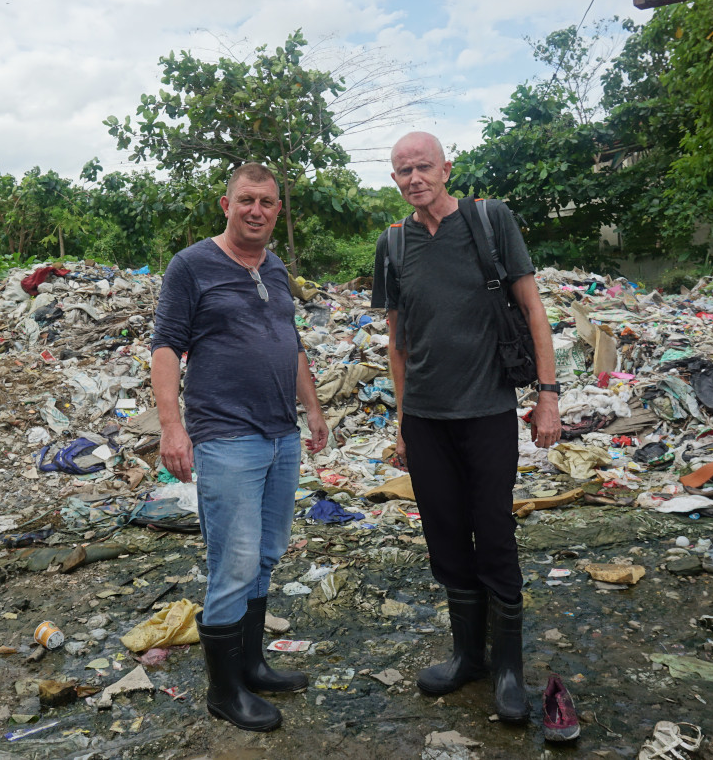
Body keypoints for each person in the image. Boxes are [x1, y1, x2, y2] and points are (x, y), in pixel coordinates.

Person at [371, 132, 561, 723]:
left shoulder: (489, 220)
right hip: (426, 420)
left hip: (487, 413)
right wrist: (402, 425)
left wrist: (548, 397)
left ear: (446, 168)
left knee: (494, 535)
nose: (413, 179)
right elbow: (397, 344)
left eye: (423, 166)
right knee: (446, 540)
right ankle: (467, 658)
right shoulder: (393, 244)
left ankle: (508, 669)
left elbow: (532, 309)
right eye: (402, 171)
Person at [151, 162, 329, 732]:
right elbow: (165, 347)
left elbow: (291, 342)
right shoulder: (192, 265)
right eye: (246, 200)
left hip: (280, 435)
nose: (257, 210)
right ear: (225, 205)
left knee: (267, 553)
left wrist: (314, 409)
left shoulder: (275, 267)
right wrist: (171, 427)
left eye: (268, 203)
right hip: (226, 437)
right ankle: (224, 692)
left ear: (278, 211)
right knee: (234, 561)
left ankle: (251, 665)